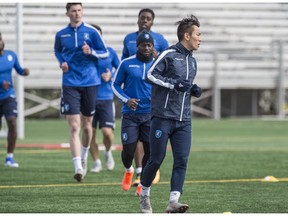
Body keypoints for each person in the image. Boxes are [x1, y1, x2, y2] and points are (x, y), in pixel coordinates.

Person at [139, 15, 202, 213]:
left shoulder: (192, 62)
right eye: (198, 35)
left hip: (184, 120)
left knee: (182, 160)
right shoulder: (168, 54)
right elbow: (150, 75)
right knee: (156, 159)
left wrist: (192, 89)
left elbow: (183, 86)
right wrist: (174, 84)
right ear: (186, 36)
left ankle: (173, 201)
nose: (200, 38)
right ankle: (144, 195)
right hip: (163, 117)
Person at [54, 3, 108, 182]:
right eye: (73, 11)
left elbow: (105, 53)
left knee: (87, 126)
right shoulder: (61, 34)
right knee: (75, 126)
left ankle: (84, 157)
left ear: (82, 12)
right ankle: (77, 166)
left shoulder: (92, 32)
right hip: (70, 82)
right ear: (67, 14)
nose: (76, 13)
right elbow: (57, 50)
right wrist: (62, 62)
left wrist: (91, 51)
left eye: (79, 10)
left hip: (91, 82)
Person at [121, 7, 169, 187]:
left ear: (152, 21)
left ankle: (143, 174)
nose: (145, 21)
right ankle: (137, 170)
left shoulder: (161, 40)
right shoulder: (128, 39)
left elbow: (169, 63)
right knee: (131, 145)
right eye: (142, 18)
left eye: (148, 18)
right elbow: (123, 64)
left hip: (152, 105)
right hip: (133, 102)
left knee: (148, 143)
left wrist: (159, 59)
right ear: (138, 19)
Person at [112, 30, 154, 197]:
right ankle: (129, 170)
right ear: (137, 46)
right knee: (128, 150)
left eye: (149, 45)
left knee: (150, 152)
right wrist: (127, 99)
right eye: (143, 45)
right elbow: (115, 85)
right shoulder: (127, 63)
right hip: (130, 114)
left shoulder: (158, 64)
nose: (146, 48)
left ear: (153, 46)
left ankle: (142, 182)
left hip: (151, 115)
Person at [88, 24, 120, 173]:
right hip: (88, 97)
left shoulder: (110, 52)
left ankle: (107, 153)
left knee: (107, 132)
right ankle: (96, 162)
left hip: (106, 97)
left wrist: (111, 76)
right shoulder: (85, 53)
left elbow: (120, 69)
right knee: (90, 132)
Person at [0, 32, 30, 167]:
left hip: (8, 96)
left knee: (12, 122)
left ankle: (9, 157)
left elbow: (18, 70)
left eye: (0, 39)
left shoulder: (10, 55)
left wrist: (24, 71)